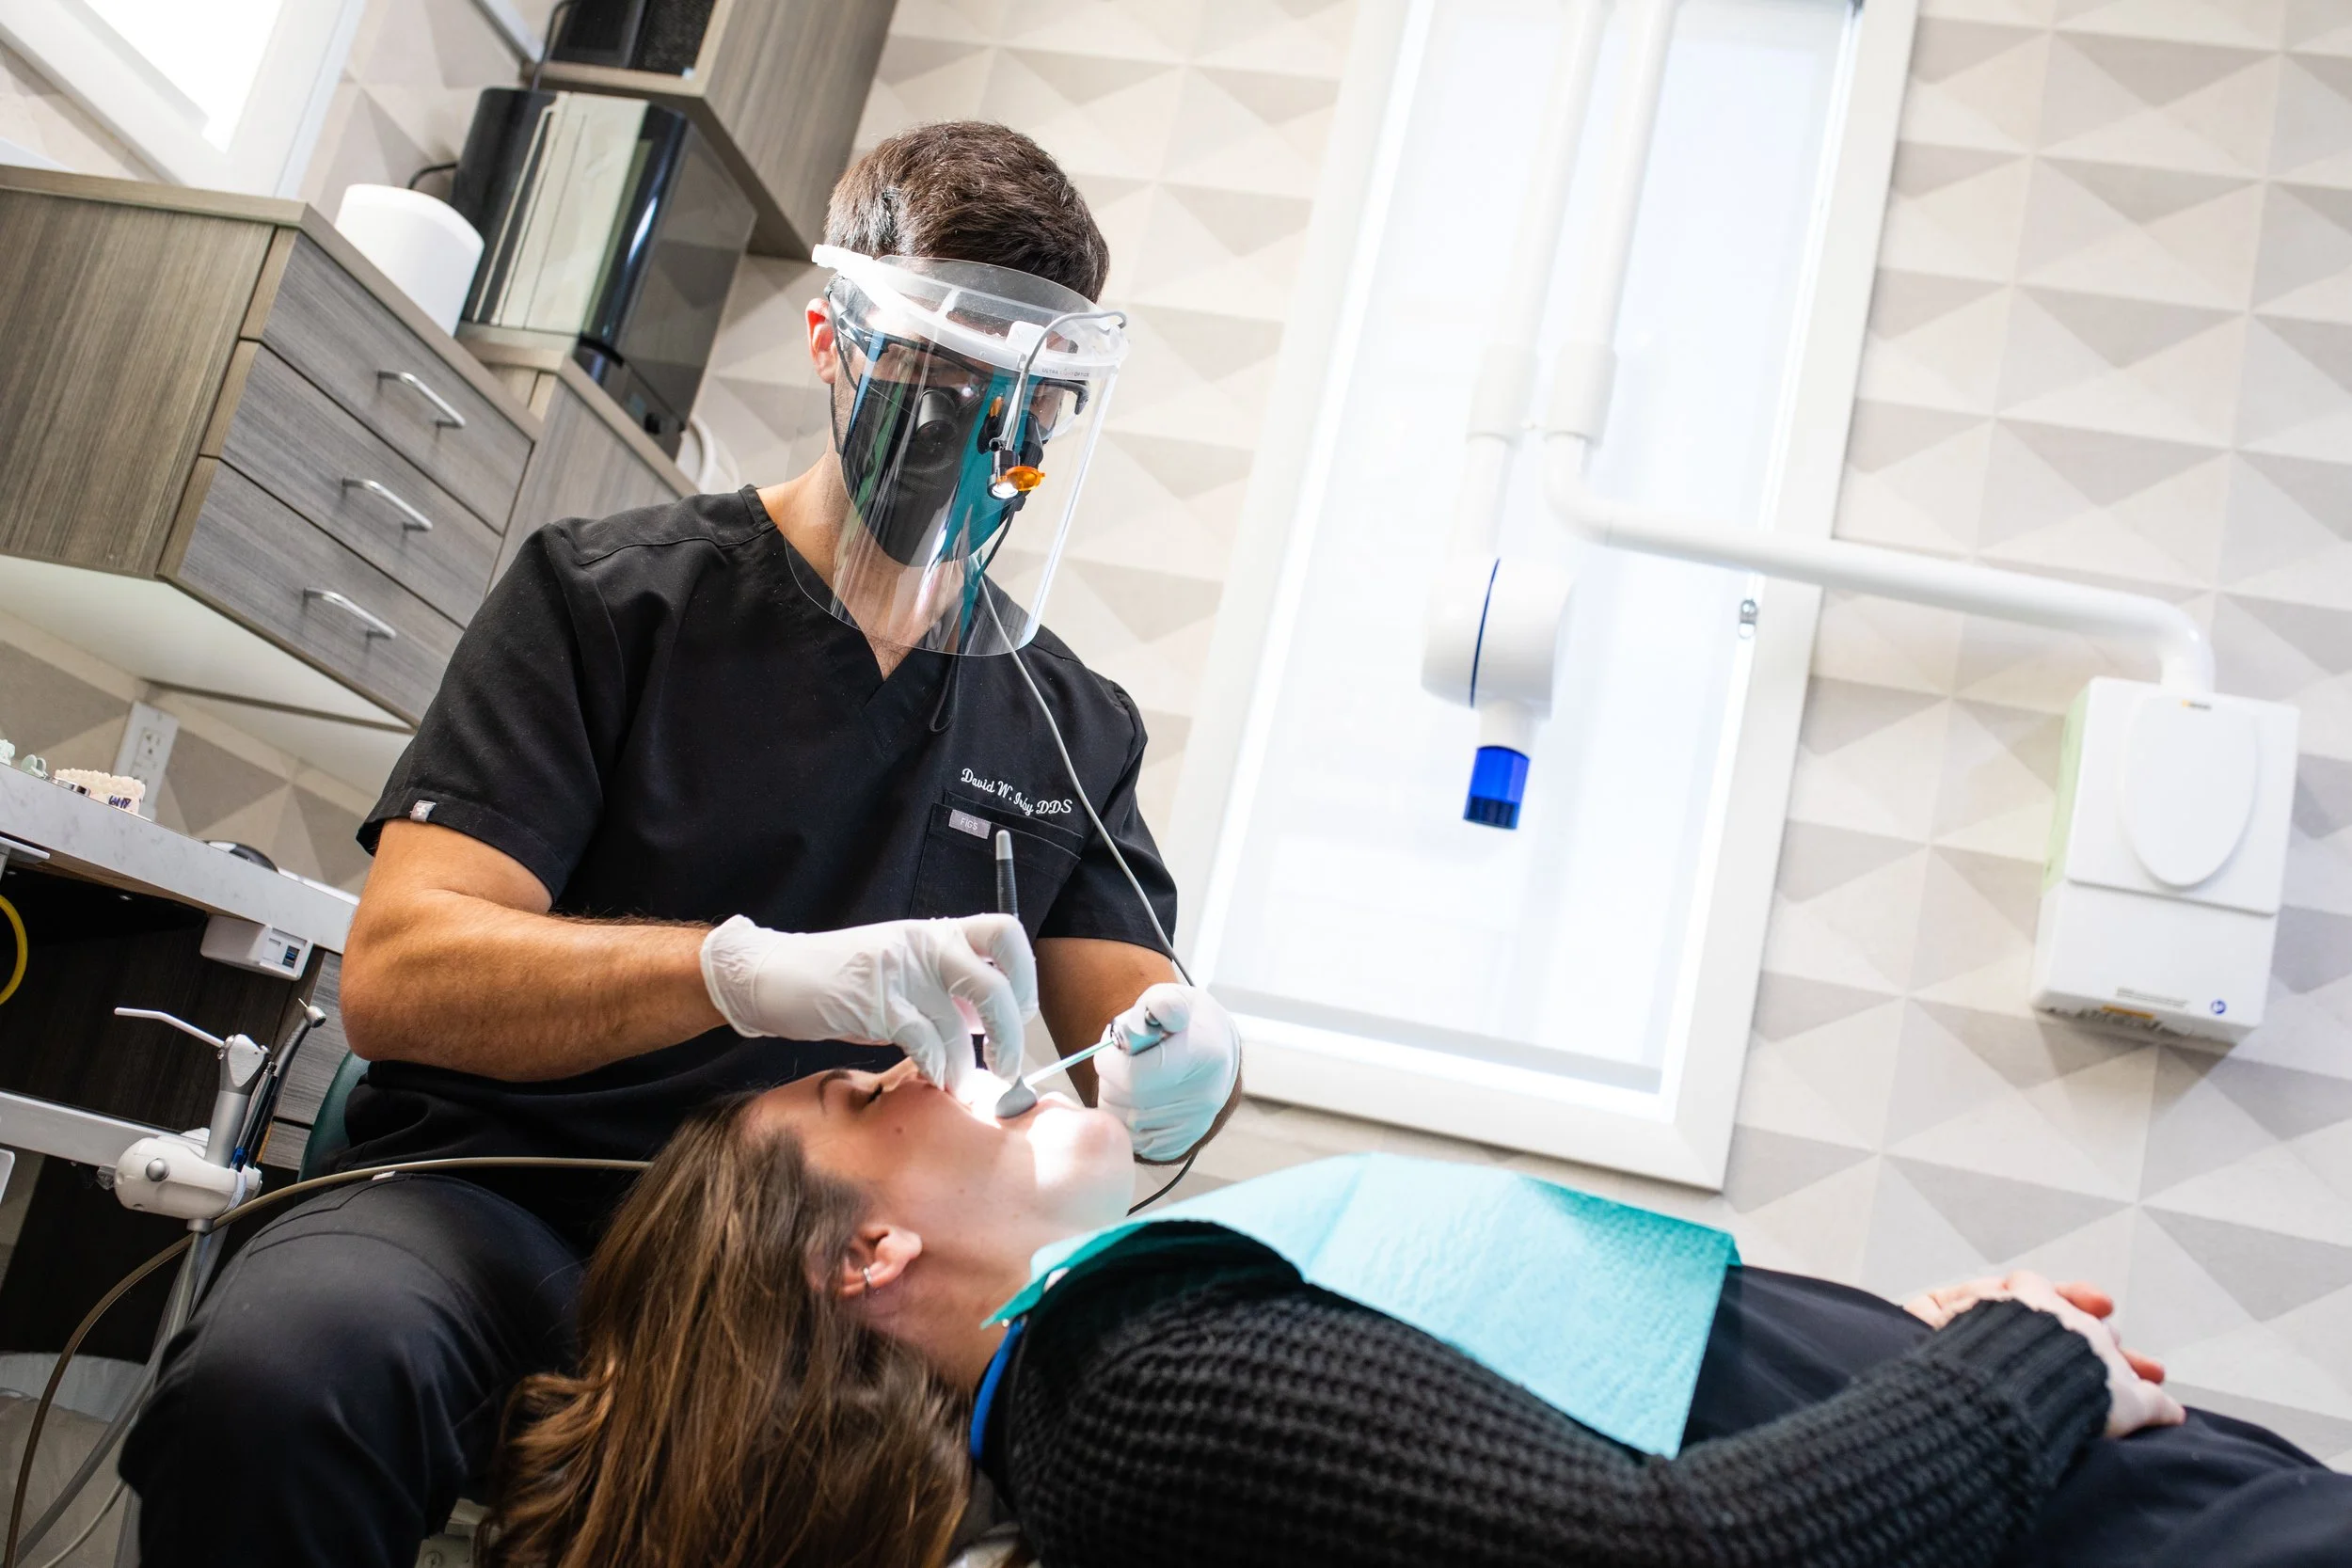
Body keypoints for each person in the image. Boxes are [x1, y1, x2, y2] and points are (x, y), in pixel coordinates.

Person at [120, 122, 1241, 1567]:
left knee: (1102, 1482)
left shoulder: (1068, 726)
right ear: (836, 341)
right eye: (946, 379)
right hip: (505, 1205)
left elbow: (1136, 1038)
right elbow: (399, 975)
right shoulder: (608, 604)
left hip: (818, 1294)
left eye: (1032, 402)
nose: (989, 438)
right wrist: (733, 973)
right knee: (282, 1384)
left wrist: (1191, 1067)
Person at [485, 1060, 2352, 1568]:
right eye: (861, 1092)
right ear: (865, 1256)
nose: (919, 1063)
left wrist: (1895, 1363)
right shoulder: (1124, 1392)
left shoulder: (1124, 1356)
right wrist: (2024, 1360)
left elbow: (1614, 1430)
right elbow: (1674, 1555)